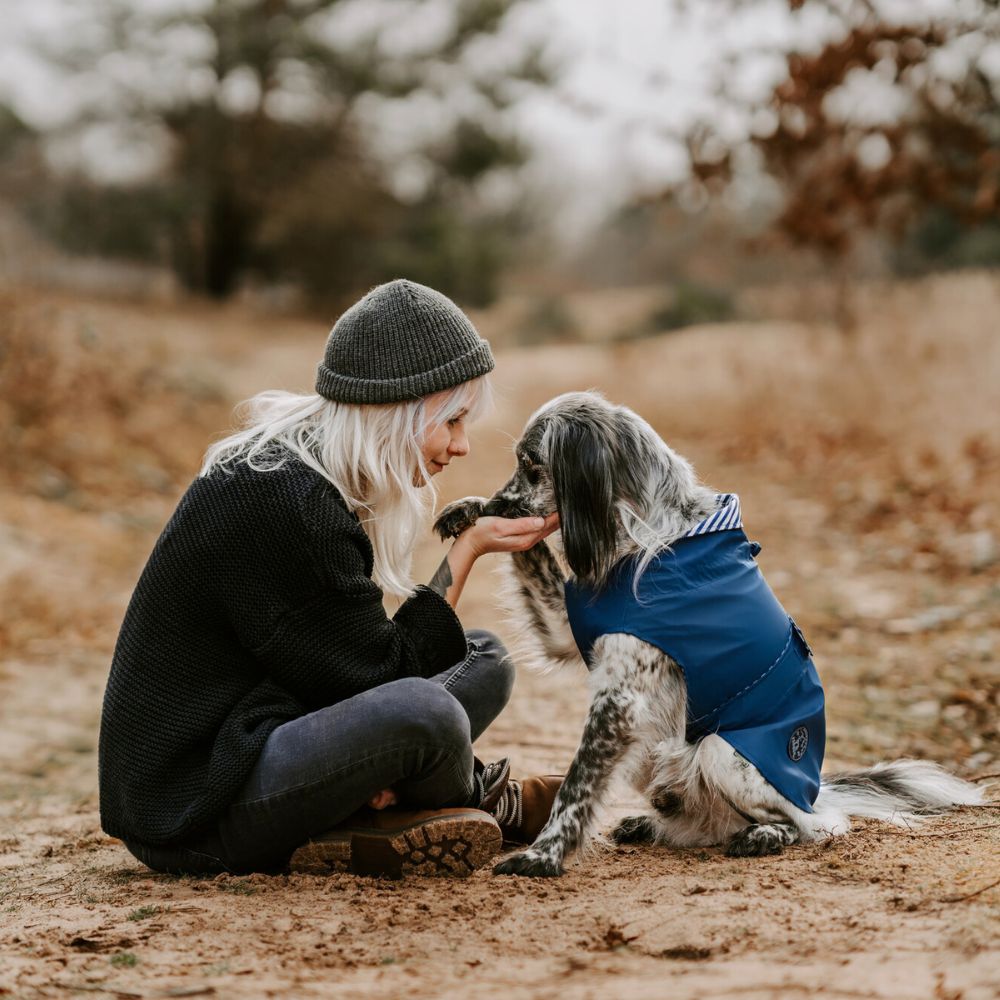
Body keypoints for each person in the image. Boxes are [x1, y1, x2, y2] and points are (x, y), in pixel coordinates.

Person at [98, 279, 562, 878]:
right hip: (196, 805)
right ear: (397, 410)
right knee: (429, 713)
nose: (462, 445)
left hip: (261, 733)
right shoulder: (287, 503)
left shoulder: (302, 472)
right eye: (451, 421)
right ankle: (481, 801)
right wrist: (468, 549)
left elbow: (357, 673)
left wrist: (471, 544)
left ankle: (373, 815)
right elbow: (385, 681)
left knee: (483, 659)